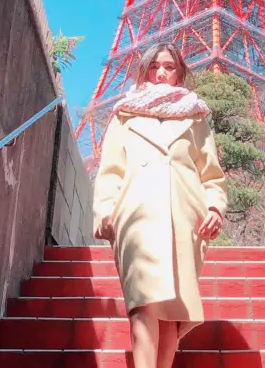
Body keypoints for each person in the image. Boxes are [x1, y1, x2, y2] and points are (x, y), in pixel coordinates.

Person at [93, 43, 227, 368]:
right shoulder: (124, 116)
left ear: (179, 72)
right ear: (145, 70)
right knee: (142, 304)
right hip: (136, 218)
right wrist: (106, 212)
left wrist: (214, 208)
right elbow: (110, 171)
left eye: (169, 66)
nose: (162, 72)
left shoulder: (196, 118)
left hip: (184, 219)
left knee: (171, 310)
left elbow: (212, 175)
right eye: (155, 66)